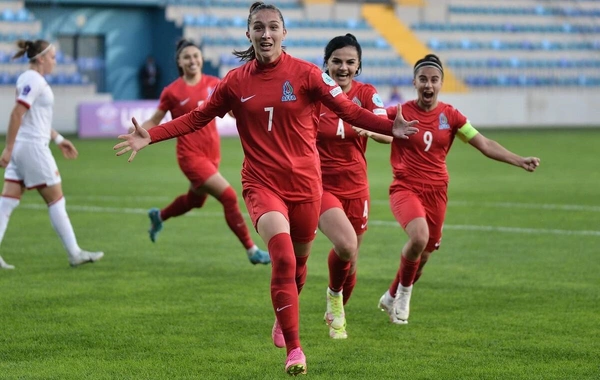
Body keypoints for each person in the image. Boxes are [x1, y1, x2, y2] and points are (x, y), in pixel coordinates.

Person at [113, 2, 418, 375]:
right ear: (249, 34)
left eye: (273, 26)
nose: (266, 33)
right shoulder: (234, 82)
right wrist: (152, 135)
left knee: (300, 264)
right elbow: (196, 118)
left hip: (307, 186)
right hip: (262, 184)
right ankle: (295, 349)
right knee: (284, 259)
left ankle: (283, 312)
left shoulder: (307, 74)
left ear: (284, 33)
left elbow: (349, 112)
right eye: (259, 27)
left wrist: (392, 128)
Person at [377, 54, 540, 325]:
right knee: (418, 238)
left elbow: (484, 144)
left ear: (441, 83)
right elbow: (375, 127)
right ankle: (404, 295)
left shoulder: (450, 117)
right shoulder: (400, 112)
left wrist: (519, 160)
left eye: (434, 80)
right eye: (423, 79)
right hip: (405, 188)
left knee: (424, 255)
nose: (428, 85)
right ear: (414, 82)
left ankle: (391, 295)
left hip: (437, 193)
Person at [138, 39, 269, 265]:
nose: (192, 60)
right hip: (190, 156)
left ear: (202, 59)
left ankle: (158, 216)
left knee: (194, 201)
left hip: (212, 154)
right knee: (228, 197)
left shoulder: (214, 83)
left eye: (195, 56)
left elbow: (233, 112)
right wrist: (139, 131)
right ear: (179, 62)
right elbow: (155, 120)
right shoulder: (172, 91)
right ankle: (252, 251)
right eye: (186, 57)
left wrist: (256, 117)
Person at [0, 39, 103, 270]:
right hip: (32, 148)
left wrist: (58, 138)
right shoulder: (33, 79)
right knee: (56, 198)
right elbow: (17, 114)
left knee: (7, 202)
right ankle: (75, 253)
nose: (55, 62)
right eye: (53, 57)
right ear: (41, 58)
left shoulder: (31, 79)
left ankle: (75, 252)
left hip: (25, 146)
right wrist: (7, 147)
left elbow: (34, 118)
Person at [316, 34, 393, 340]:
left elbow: (388, 133)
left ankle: (336, 310)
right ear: (327, 63)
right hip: (320, 185)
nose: (343, 67)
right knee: (345, 245)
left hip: (356, 187)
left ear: (358, 65)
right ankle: (331, 297)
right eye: (337, 61)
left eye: (350, 62)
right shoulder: (315, 91)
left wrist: (371, 130)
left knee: (351, 262)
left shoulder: (366, 94)